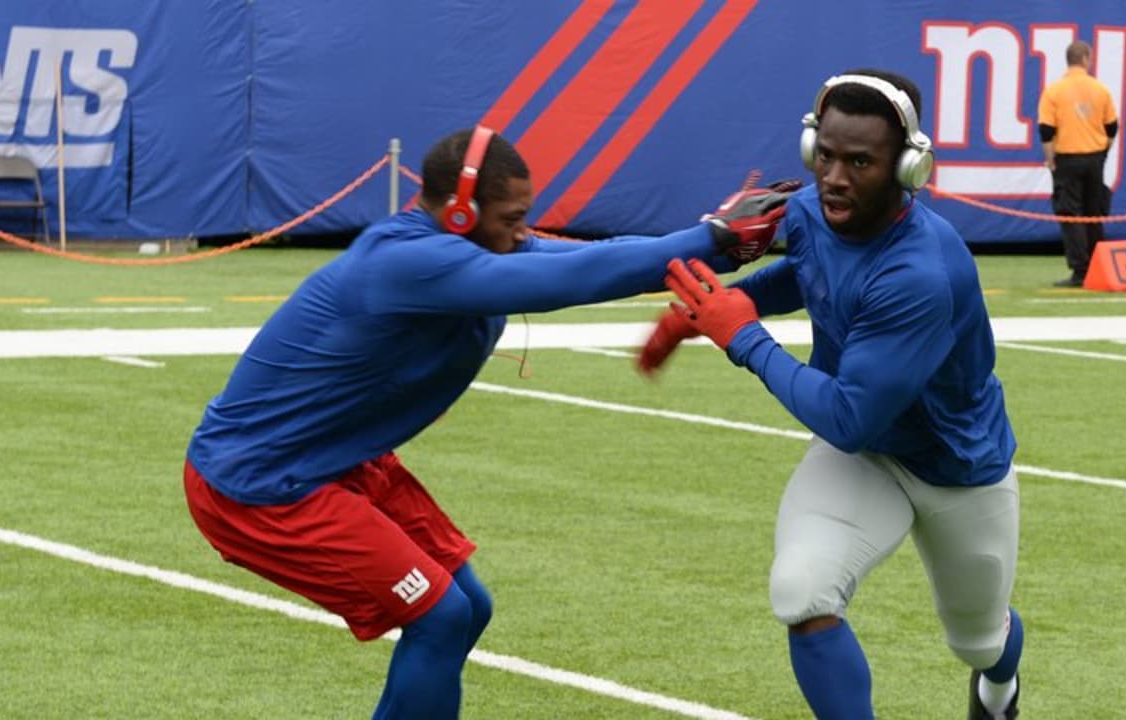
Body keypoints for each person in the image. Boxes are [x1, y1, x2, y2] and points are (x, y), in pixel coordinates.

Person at [182, 125, 791, 719]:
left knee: (468, 606)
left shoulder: (477, 242)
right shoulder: (413, 262)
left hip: (330, 463)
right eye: (510, 218)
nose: (522, 231)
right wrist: (711, 236)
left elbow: (595, 257)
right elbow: (564, 280)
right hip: (258, 483)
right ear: (457, 215)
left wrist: (706, 237)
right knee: (440, 616)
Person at [638, 71, 1024, 719]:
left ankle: (1000, 689)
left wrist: (744, 338)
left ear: (907, 169)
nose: (836, 177)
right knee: (802, 591)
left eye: (861, 161)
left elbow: (847, 415)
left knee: (979, 641)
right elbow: (809, 271)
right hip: (868, 456)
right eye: (827, 155)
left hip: (954, 466)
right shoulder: (811, 208)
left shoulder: (920, 272)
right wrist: (719, 305)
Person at [1038, 40, 1119, 287]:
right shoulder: (1100, 89)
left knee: (1070, 215)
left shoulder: (1054, 91)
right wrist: (1103, 152)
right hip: (1094, 157)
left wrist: (1051, 159)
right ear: (1086, 58)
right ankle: (1099, 267)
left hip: (1067, 159)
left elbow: (1046, 131)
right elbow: (1112, 127)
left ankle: (1080, 270)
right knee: (1094, 214)